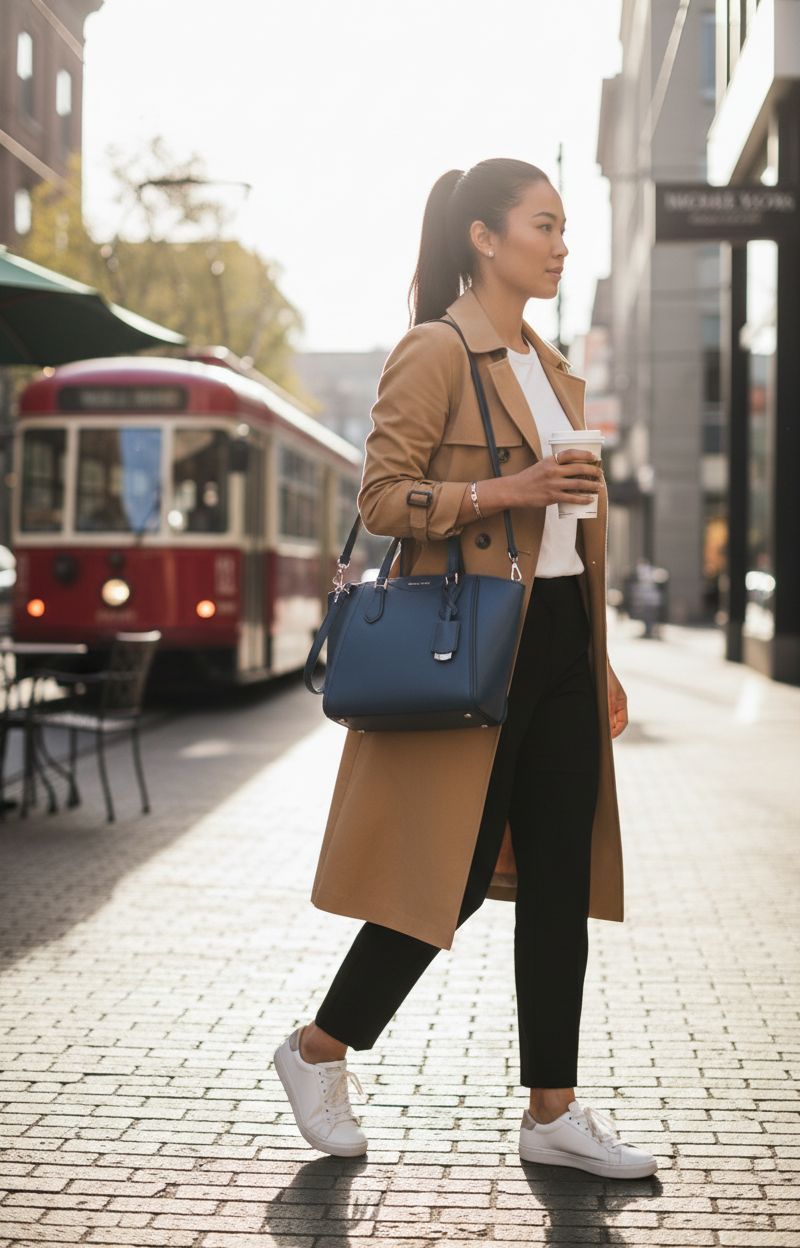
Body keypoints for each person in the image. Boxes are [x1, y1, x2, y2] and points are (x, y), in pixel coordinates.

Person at [273, 159, 658, 1179]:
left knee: (560, 882)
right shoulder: (437, 349)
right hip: (478, 642)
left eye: (565, 225)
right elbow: (381, 501)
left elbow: (568, 537)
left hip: (561, 642)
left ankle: (552, 1113)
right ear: (485, 238)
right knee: (456, 880)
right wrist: (507, 489)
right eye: (545, 223)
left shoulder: (548, 360)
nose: (562, 242)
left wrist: (598, 657)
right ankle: (317, 1049)